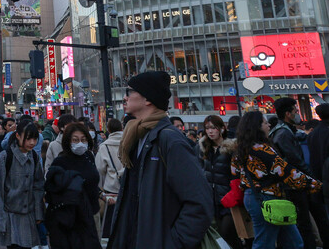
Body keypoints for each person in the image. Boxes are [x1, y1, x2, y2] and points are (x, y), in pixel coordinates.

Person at [107, 71, 213, 249]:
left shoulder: (170, 140)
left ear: (147, 99)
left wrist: (173, 242)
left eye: (129, 92)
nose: (125, 98)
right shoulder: (139, 136)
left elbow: (199, 202)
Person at [232, 110, 322, 249]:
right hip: (267, 198)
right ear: (257, 127)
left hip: (254, 197)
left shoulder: (241, 149)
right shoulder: (263, 149)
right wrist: (316, 185)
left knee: (290, 241)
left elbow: (234, 171)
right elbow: (286, 172)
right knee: (268, 243)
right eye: (265, 122)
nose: (268, 125)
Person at [270, 97, 329, 249]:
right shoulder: (283, 134)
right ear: (288, 114)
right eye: (295, 110)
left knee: (315, 220)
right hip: (296, 185)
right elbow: (295, 161)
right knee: (305, 223)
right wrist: (312, 178)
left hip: (299, 183)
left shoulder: (287, 131)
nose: (297, 113)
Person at [0, 120, 45, 249]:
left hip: (28, 215)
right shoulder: (5, 157)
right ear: (18, 136)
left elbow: (38, 186)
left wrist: (38, 213)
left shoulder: (34, 157)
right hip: (10, 215)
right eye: (28, 138)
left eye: (35, 139)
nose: (32, 142)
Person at [45, 122, 101, 249]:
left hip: (92, 214)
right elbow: (53, 191)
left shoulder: (88, 157)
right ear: (68, 141)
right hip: (71, 220)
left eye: (83, 139)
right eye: (75, 140)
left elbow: (92, 181)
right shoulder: (60, 162)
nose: (80, 143)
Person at [198, 115, 240, 249]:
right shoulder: (204, 148)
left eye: (213, 128)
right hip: (211, 198)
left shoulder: (231, 148)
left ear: (222, 129)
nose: (210, 131)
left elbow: (236, 173)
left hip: (229, 198)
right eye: (207, 128)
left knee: (228, 233)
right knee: (219, 236)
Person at [95, 117, 123, 240]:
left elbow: (100, 169)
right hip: (126, 188)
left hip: (111, 188)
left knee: (109, 223)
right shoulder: (130, 142)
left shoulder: (104, 147)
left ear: (109, 130)